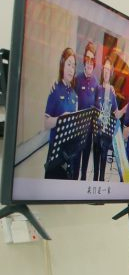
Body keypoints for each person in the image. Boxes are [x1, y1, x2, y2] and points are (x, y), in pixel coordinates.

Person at [43, 48, 80, 180]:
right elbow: (46, 123)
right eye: (68, 64)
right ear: (62, 65)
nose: (71, 69)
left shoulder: (75, 96)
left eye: (73, 66)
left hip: (69, 154)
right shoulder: (55, 90)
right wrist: (60, 119)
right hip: (55, 154)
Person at [90, 57, 120, 181]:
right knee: (95, 171)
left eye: (109, 70)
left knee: (102, 173)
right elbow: (92, 108)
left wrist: (127, 108)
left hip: (106, 136)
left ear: (111, 72)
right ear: (103, 71)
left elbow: (117, 114)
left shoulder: (112, 92)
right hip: (96, 134)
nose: (106, 72)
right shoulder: (97, 89)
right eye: (105, 69)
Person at [74, 42, 99, 180]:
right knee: (75, 167)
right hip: (78, 131)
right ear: (84, 60)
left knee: (84, 169)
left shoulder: (96, 82)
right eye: (87, 59)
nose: (89, 63)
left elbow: (99, 103)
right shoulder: (77, 79)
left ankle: (83, 178)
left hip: (89, 131)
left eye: (92, 60)